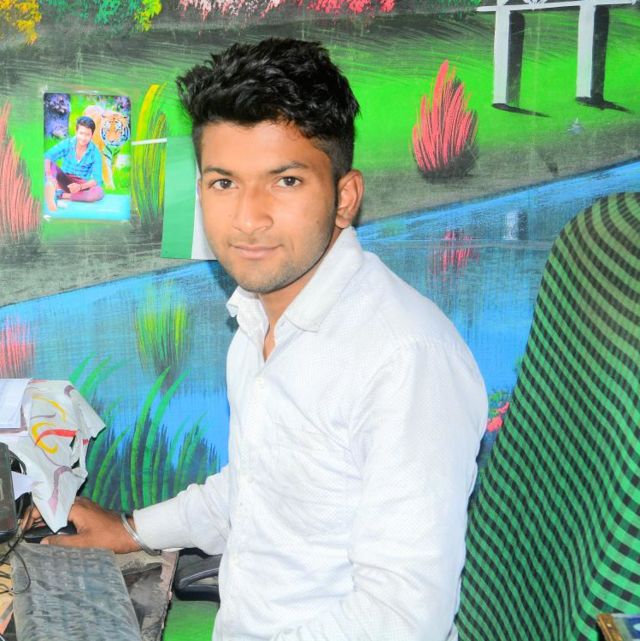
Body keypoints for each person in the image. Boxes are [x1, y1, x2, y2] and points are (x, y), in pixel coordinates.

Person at [30, 39, 487, 641]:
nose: (249, 218)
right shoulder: (257, 322)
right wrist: (132, 530)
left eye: (286, 181)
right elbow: (255, 490)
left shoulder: (405, 360)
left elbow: (401, 620)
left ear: (345, 197)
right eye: (224, 182)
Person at [44, 115, 104, 211]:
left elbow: (97, 179)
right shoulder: (68, 144)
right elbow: (48, 155)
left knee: (98, 192)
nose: (83, 138)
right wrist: (50, 177)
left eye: (87, 135)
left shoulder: (95, 152)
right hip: (63, 179)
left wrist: (80, 187)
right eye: (81, 133)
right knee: (47, 164)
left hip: (81, 185)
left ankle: (61, 195)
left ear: (92, 135)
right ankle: (52, 188)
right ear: (76, 132)